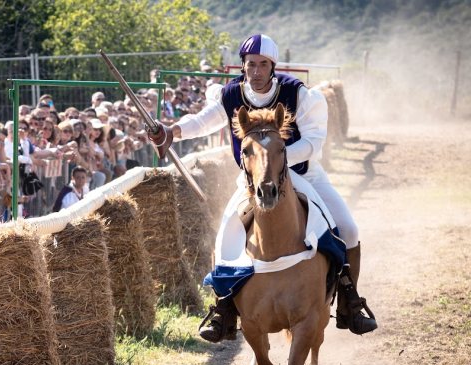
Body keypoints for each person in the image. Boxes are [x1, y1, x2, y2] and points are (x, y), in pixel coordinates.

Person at [147, 34, 376, 341]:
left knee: (348, 229)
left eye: (262, 65)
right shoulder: (231, 95)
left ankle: (351, 301)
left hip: (303, 175)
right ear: (243, 65)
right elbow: (203, 122)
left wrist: (274, 160)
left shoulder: (298, 94)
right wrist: (171, 130)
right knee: (226, 234)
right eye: (250, 64)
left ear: (272, 66)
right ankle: (223, 307)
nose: (255, 71)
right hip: (253, 181)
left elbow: (313, 143)